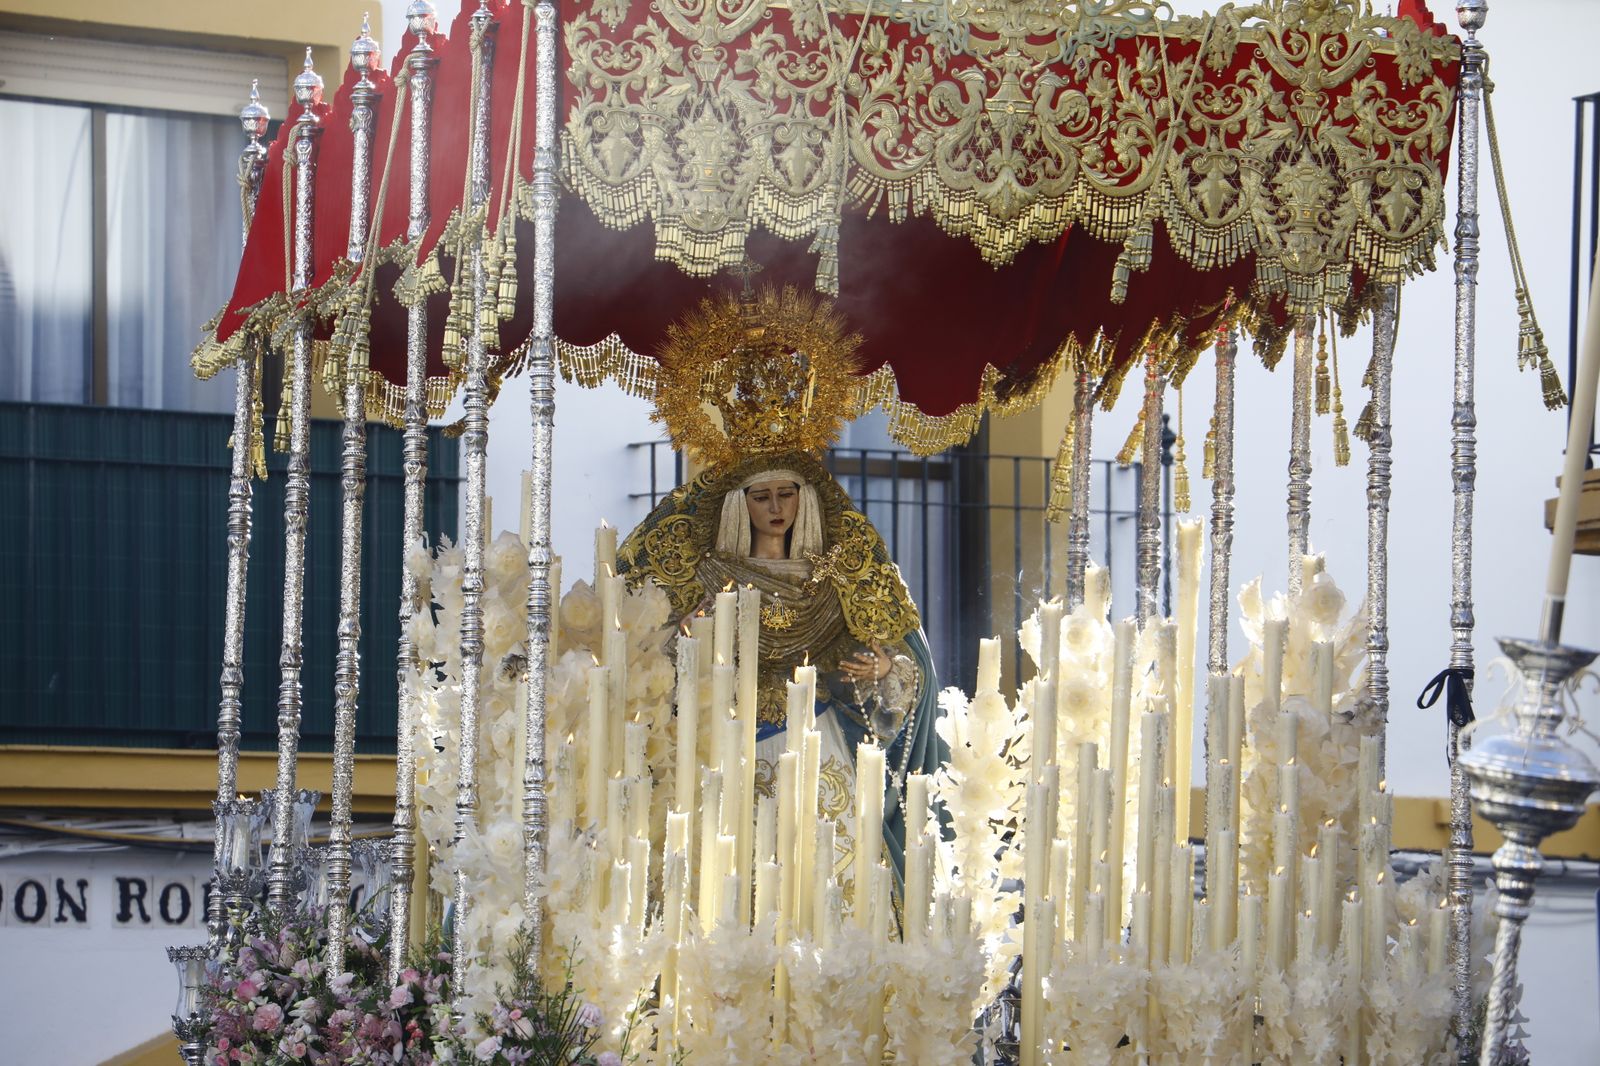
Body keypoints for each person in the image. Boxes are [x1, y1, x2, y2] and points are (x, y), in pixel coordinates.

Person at [616, 287, 940, 896]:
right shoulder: (705, 575)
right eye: (761, 496)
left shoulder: (838, 574)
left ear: (805, 499)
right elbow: (643, 661)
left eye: (787, 494)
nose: (775, 508)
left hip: (816, 750)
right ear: (739, 504)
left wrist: (882, 670)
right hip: (724, 752)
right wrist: (687, 640)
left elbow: (900, 659)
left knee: (830, 888)